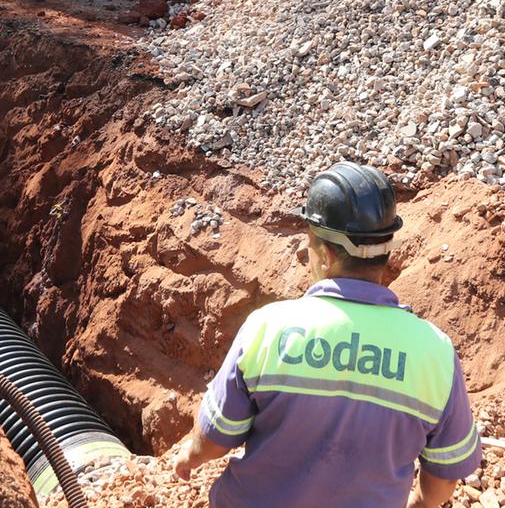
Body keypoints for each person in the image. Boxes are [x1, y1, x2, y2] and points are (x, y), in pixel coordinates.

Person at [173, 162, 481, 508]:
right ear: (386, 252)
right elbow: (443, 475)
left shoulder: (267, 328)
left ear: (325, 253)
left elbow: (216, 440)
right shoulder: (434, 352)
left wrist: (190, 456)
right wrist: (420, 503)